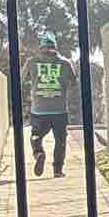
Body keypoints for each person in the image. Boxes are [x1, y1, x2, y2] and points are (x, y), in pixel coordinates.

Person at [24, 37, 76, 178]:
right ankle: (58, 170)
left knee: (36, 136)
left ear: (41, 48)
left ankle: (38, 153)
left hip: (39, 109)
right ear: (55, 48)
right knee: (60, 140)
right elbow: (73, 82)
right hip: (59, 109)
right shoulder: (65, 63)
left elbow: (23, 79)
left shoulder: (31, 62)